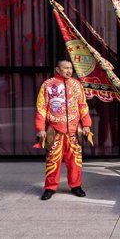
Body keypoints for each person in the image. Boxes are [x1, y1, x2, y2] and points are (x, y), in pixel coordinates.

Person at [35, 60, 92, 200]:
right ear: (57, 69)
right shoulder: (48, 85)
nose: (69, 70)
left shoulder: (77, 85)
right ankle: (50, 187)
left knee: (75, 160)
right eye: (65, 68)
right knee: (52, 160)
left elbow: (83, 105)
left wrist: (86, 125)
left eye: (70, 68)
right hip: (54, 130)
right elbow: (41, 107)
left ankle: (76, 185)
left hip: (74, 130)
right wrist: (40, 128)